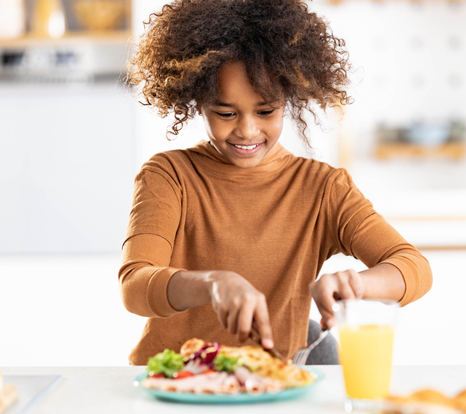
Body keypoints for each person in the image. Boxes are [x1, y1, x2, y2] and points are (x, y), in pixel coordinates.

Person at [119, 0, 432, 365]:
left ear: (289, 99)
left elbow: (413, 266)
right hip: (172, 385)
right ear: (196, 99)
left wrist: (358, 285)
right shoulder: (169, 176)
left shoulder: (322, 189)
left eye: (266, 111)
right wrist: (213, 284)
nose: (247, 130)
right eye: (225, 113)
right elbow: (135, 286)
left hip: (272, 387)